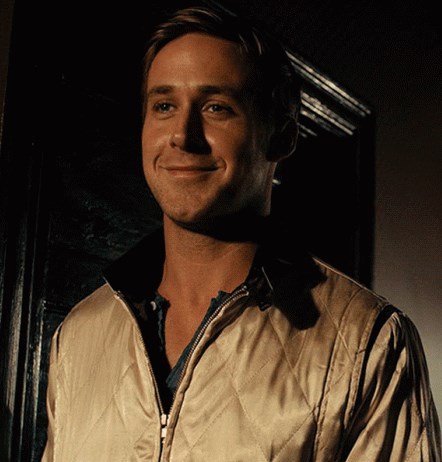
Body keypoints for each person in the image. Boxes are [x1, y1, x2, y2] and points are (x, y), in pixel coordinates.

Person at [42, 5, 441, 461]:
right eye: (164, 106)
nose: (183, 135)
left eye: (217, 108)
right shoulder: (78, 335)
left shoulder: (369, 342)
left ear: (282, 138)